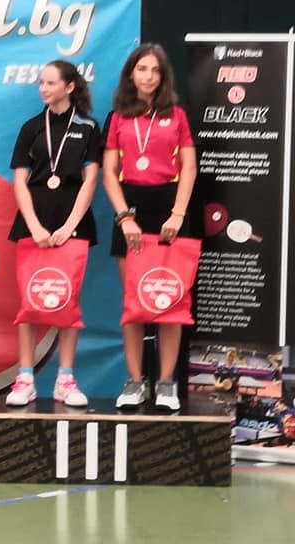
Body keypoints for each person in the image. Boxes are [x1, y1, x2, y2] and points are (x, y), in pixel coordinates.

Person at [103, 42, 196, 411]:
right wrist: (124, 217)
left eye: (155, 70)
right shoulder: (117, 118)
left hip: (170, 210)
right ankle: (135, 382)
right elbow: (109, 173)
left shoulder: (177, 116)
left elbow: (189, 168)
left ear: (163, 77)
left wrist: (178, 213)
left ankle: (166, 383)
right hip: (131, 209)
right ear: (131, 74)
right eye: (142, 69)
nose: (149, 76)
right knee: (135, 301)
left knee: (169, 298)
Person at [5, 60, 101, 407]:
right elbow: (19, 180)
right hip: (34, 222)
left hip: (72, 224)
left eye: (50, 83)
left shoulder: (88, 127)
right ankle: (25, 379)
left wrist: (70, 225)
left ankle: (65, 379)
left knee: (67, 299)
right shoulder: (31, 127)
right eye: (41, 83)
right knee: (30, 301)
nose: (43, 89)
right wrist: (34, 225)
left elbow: (91, 180)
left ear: (69, 86)